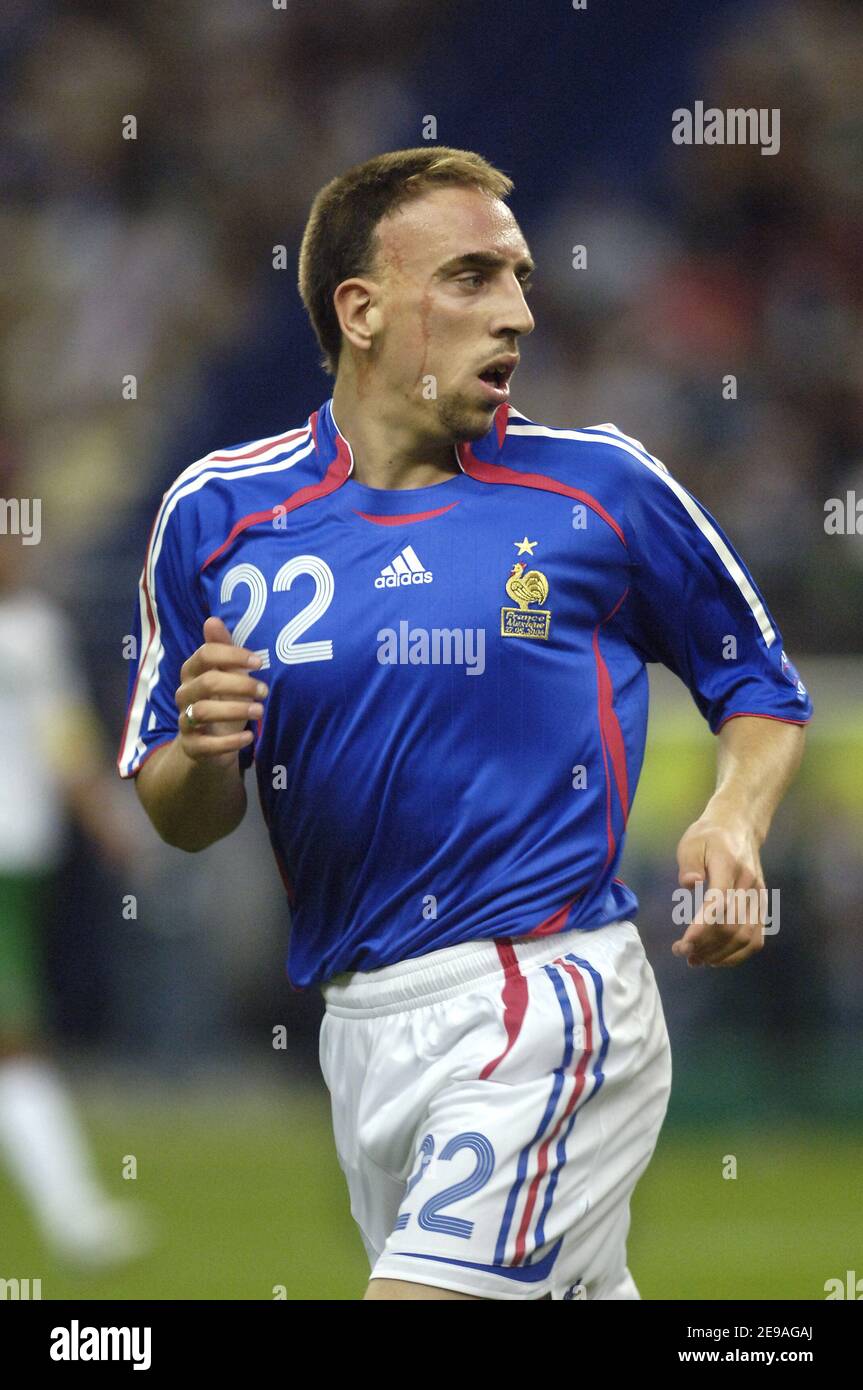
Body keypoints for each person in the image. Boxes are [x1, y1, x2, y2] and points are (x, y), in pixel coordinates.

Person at [118, 148, 811, 1300]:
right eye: (474, 277)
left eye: (521, 279)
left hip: (544, 995)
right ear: (362, 307)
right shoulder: (216, 516)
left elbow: (759, 685)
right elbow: (181, 817)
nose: (520, 314)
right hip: (360, 1027)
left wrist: (732, 823)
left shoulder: (597, 490)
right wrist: (199, 748)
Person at [0, 525, 150, 1267]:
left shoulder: (33, 630)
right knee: (15, 1040)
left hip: (15, 860)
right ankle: (72, 1214)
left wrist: (106, 819)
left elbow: (65, 744)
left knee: (15, 1035)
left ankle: (72, 1211)